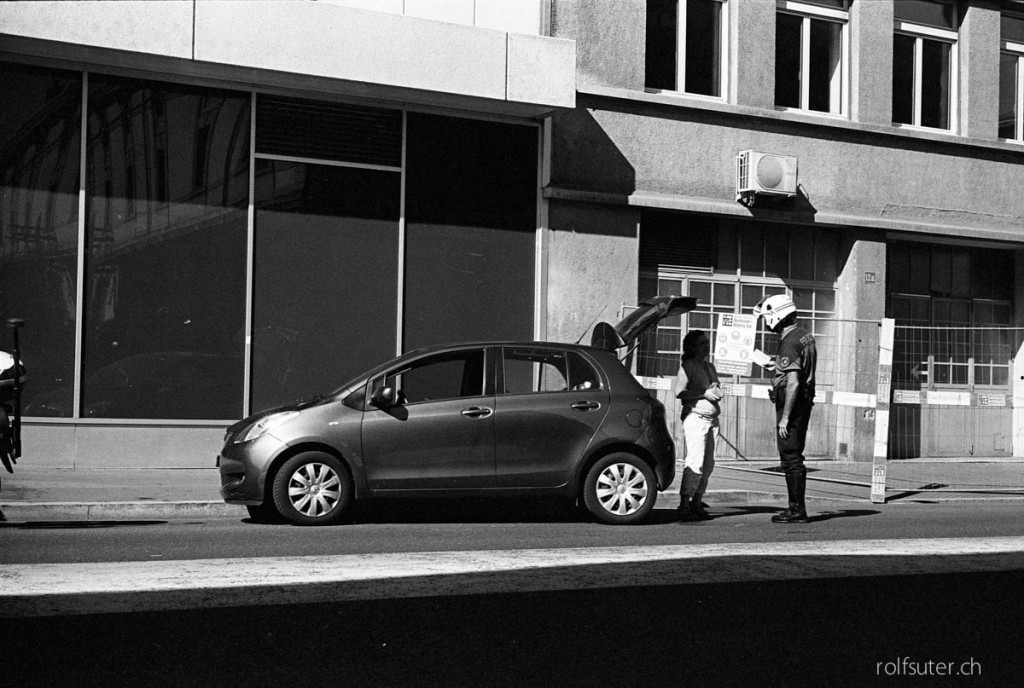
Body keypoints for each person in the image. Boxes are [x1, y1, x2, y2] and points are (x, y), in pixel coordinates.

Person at [753, 294, 817, 524]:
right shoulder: (804, 336)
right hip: (804, 398)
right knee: (794, 454)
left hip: (794, 402)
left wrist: (785, 418)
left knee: (790, 455)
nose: (766, 323)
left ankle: (796, 510)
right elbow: (796, 371)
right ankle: (795, 508)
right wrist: (773, 366)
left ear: (776, 315)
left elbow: (794, 382)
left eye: (767, 318)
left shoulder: (789, 342)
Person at [673, 329, 723, 521]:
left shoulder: (709, 366)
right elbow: (679, 392)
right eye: (702, 343)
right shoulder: (688, 366)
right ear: (692, 347)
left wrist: (716, 391)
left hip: (712, 419)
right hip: (696, 418)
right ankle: (684, 502)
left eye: (707, 342)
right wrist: (703, 393)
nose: (706, 346)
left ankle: (697, 501)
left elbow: (715, 386)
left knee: (709, 463)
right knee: (695, 461)